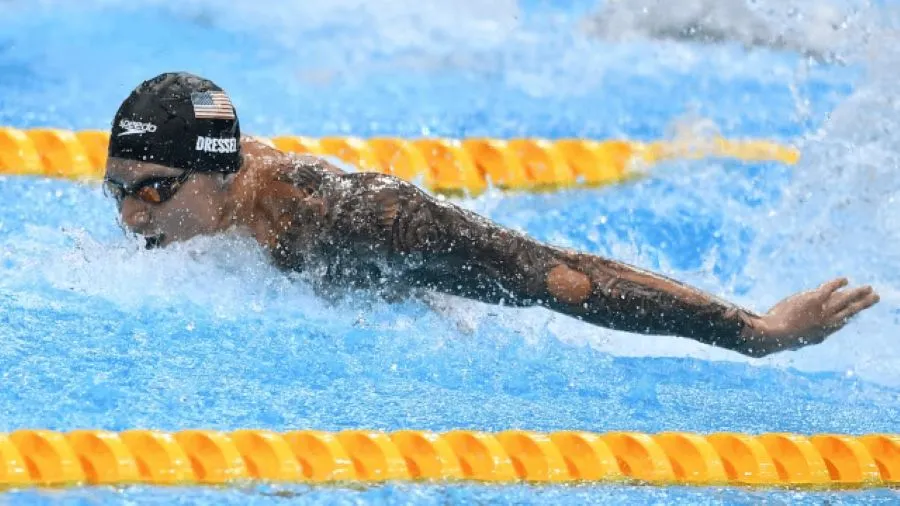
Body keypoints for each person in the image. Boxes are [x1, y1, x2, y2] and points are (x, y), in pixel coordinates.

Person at [103, 72, 879, 358]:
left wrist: (754, 332)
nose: (133, 219)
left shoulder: (353, 219)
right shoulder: (192, 214)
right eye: (119, 190)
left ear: (223, 172)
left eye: (153, 191)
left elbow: (564, 278)